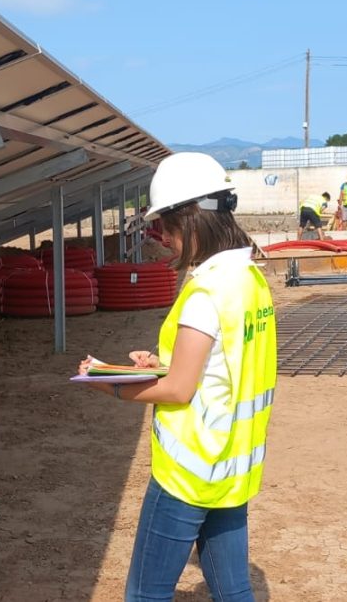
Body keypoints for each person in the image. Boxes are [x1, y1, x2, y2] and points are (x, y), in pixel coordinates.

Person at [80, 152, 277, 602]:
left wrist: (108, 382)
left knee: (146, 594)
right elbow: (221, 366)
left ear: (193, 220)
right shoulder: (249, 280)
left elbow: (179, 389)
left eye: (165, 226)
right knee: (233, 590)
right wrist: (161, 361)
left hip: (187, 471)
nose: (162, 238)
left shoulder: (205, 292)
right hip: (231, 467)